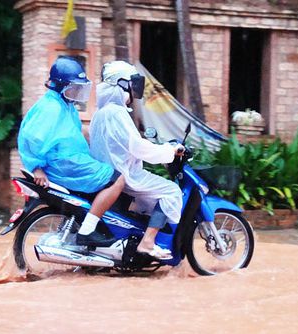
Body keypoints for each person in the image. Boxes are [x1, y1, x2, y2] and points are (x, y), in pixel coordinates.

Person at [18, 56, 125, 247]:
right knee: (118, 179)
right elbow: (30, 139)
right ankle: (87, 231)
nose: (77, 91)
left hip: (72, 161)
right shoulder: (50, 108)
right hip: (65, 165)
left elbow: (75, 134)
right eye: (73, 87)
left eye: (79, 87)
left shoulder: (65, 105)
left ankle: (91, 231)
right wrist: (37, 168)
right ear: (60, 86)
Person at [90, 60, 184, 260]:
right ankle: (147, 242)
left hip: (110, 172)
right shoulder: (117, 113)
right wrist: (169, 150)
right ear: (122, 85)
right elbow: (138, 147)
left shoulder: (102, 113)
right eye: (132, 83)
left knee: (152, 195)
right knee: (171, 191)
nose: (135, 88)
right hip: (125, 174)